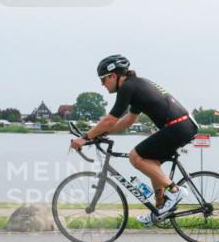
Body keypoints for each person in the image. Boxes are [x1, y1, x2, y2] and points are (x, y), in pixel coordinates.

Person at [70, 55, 198, 225]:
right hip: (183, 126)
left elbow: (110, 119)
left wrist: (85, 138)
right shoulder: (137, 86)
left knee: (135, 157)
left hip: (177, 127)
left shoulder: (127, 88)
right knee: (151, 161)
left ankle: (174, 191)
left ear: (113, 76)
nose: (102, 84)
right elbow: (128, 121)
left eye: (103, 79)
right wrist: (99, 133)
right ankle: (160, 209)